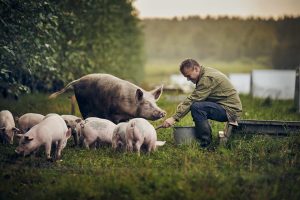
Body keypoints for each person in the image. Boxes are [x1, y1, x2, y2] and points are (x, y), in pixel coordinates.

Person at [163, 58, 242, 147]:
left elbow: (194, 99)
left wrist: (174, 118)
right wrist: (183, 105)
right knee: (196, 105)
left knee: (197, 107)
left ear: (196, 69)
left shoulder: (206, 78)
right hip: (225, 106)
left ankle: (205, 144)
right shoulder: (205, 72)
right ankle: (205, 139)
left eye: (189, 76)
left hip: (230, 111)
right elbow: (198, 95)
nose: (188, 79)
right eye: (186, 77)